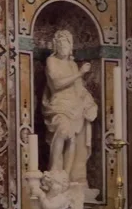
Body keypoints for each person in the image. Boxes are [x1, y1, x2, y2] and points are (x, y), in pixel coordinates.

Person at [42, 29, 98, 185]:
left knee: (72, 138)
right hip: (59, 104)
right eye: (60, 43)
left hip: (75, 107)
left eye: (65, 43)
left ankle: (66, 177)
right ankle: (54, 170)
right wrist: (80, 73)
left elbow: (78, 88)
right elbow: (56, 83)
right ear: (55, 46)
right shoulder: (51, 61)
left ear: (70, 46)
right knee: (63, 130)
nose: (62, 46)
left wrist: (88, 103)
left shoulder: (72, 65)